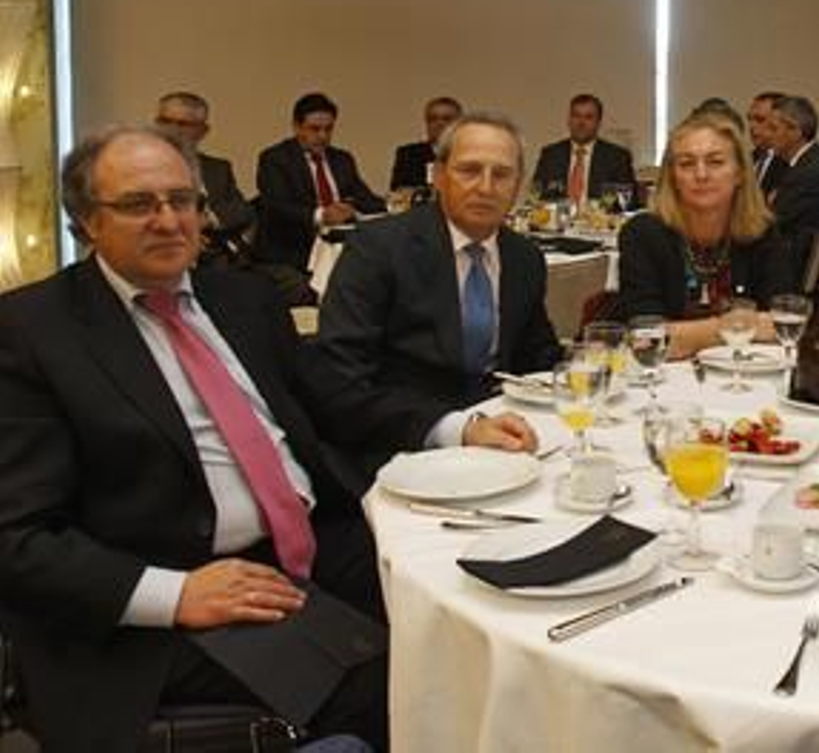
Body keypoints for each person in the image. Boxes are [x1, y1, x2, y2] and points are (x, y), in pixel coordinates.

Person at [0, 126, 535, 752]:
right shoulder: (32, 332)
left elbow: (333, 399)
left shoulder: (242, 297)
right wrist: (177, 593)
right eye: (140, 204)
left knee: (483, 605)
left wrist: (456, 428)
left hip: (318, 538)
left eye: (184, 201)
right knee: (405, 683)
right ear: (87, 222)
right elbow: (16, 538)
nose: (170, 221)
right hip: (176, 579)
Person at [314, 113, 563, 469]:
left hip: (504, 442)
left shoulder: (523, 257)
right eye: (470, 170)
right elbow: (339, 380)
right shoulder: (379, 249)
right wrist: (458, 429)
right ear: (440, 176)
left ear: (519, 183)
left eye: (502, 174)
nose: (486, 187)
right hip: (404, 445)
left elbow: (537, 355)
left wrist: (594, 368)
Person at [615, 111, 792, 358]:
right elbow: (646, 339)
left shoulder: (763, 233)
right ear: (673, 177)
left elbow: (781, 324)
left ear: (740, 173)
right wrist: (731, 327)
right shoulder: (643, 234)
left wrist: (684, 335)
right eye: (687, 164)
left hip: (743, 379)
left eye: (716, 162)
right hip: (663, 382)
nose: (701, 175)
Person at [255, 93, 385, 273]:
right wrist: (321, 215)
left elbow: (367, 199)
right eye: (314, 129)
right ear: (297, 127)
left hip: (344, 248)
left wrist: (355, 209)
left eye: (328, 129)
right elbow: (277, 207)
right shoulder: (275, 159)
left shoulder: (342, 159)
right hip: (294, 251)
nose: (323, 136)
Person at [153, 91, 254, 262]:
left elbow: (242, 211)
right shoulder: (139, 168)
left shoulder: (218, 169)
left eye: (182, 124)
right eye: (165, 122)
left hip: (219, 252)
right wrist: (184, 234)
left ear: (203, 131)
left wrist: (207, 220)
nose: (171, 130)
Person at [768, 94, 819, 280]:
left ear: (795, 131)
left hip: (794, 267)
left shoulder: (811, 171)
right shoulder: (801, 163)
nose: (768, 135)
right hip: (789, 253)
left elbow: (772, 220)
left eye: (774, 128)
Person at [531, 93, 635, 203]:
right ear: (569, 120)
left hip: (600, 218)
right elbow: (536, 196)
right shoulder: (550, 155)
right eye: (576, 116)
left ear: (598, 122)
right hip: (559, 218)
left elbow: (628, 202)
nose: (581, 123)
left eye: (588, 117)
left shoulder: (617, 157)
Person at [389, 95, 463, 191]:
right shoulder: (408, 154)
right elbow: (398, 192)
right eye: (433, 119)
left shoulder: (472, 154)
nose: (439, 123)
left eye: (447, 119)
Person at [747, 90, 789, 195]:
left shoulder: (790, 162)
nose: (751, 126)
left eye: (760, 120)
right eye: (749, 119)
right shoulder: (748, 159)